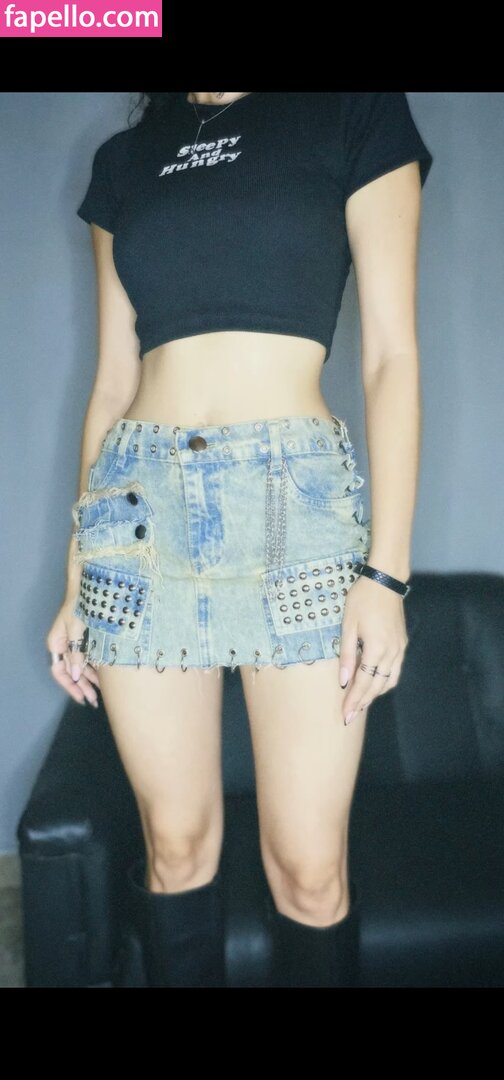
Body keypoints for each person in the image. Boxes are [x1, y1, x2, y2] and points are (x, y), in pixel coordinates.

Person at [46, 91, 433, 988]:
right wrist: (76, 573)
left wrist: (386, 575)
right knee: (174, 848)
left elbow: (392, 357)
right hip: (135, 512)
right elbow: (112, 385)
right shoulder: (124, 162)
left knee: (309, 871)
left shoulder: (354, 112)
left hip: (295, 509)